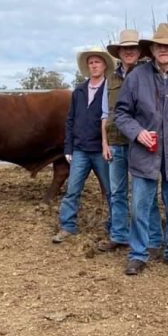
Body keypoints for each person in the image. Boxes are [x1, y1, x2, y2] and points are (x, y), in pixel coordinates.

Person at [115, 23, 168, 276]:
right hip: (146, 152)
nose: (163, 50)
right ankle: (139, 253)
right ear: (152, 49)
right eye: (159, 45)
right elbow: (121, 113)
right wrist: (137, 132)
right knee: (141, 205)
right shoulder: (137, 77)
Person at [97, 29, 163, 258]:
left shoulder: (151, 75)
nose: (129, 52)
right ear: (120, 52)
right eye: (125, 49)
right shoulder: (110, 80)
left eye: (133, 48)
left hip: (142, 143)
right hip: (116, 141)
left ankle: (154, 239)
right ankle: (119, 235)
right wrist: (104, 143)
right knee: (117, 192)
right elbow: (106, 114)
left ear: (139, 52)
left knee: (145, 194)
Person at [52, 47, 114, 243]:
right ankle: (67, 226)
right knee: (73, 189)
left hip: (102, 150)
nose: (94, 65)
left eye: (97, 62)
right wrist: (68, 147)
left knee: (112, 190)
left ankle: (116, 227)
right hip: (80, 150)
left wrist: (110, 144)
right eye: (91, 63)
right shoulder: (79, 91)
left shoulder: (110, 89)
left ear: (104, 65)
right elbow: (70, 120)